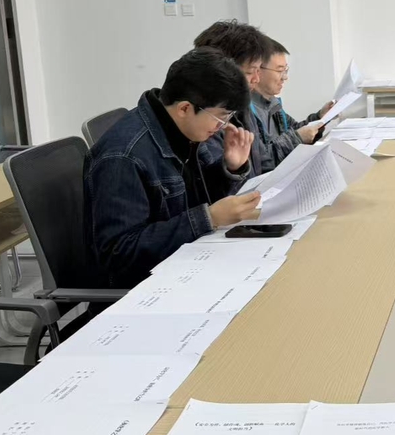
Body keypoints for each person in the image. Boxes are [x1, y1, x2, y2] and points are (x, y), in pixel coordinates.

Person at [83, 48, 261, 289]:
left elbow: (199, 197)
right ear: (185, 108)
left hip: (187, 264)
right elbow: (118, 254)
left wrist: (230, 167)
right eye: (221, 117)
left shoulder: (185, 130)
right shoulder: (122, 156)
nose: (223, 127)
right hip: (145, 289)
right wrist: (208, 218)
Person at [194, 20, 288, 174]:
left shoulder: (243, 109)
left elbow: (263, 164)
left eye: (258, 71)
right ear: (221, 69)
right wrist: (234, 169)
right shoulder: (203, 120)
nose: (256, 79)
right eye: (250, 72)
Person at [252, 36, 333, 164]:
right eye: (279, 70)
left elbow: (294, 130)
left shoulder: (272, 103)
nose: (285, 77)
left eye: (285, 70)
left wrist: (319, 117)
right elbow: (260, 162)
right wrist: (297, 138)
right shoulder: (244, 112)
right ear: (257, 70)